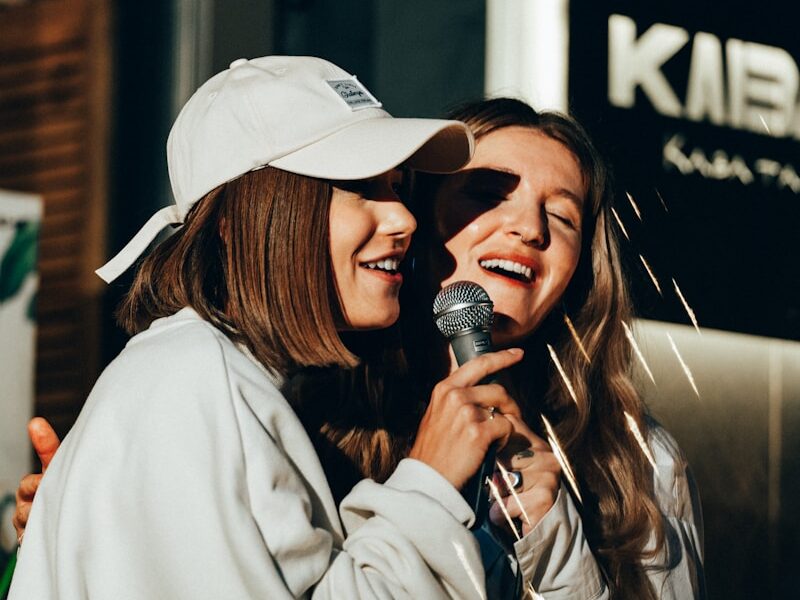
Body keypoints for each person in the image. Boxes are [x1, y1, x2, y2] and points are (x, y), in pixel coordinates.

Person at [14, 97, 705, 598]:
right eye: (487, 195)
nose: (527, 226)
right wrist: (110, 517)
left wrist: (554, 538)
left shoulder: (635, 458)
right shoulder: (306, 411)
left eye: (562, 216)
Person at [8, 55, 531, 599]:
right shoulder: (191, 379)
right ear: (245, 218)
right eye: (360, 186)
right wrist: (429, 486)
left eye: (397, 186)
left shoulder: (225, 381)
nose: (404, 218)